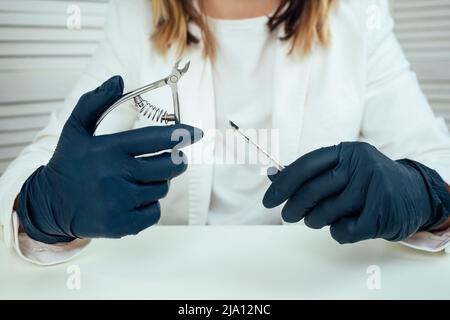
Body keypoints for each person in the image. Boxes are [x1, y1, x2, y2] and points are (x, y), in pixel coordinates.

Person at [0, 0, 449, 265]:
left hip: (317, 278)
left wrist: (426, 192)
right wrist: (41, 208)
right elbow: (38, 164)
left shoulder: (356, 13)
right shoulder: (137, 16)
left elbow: (435, 157)